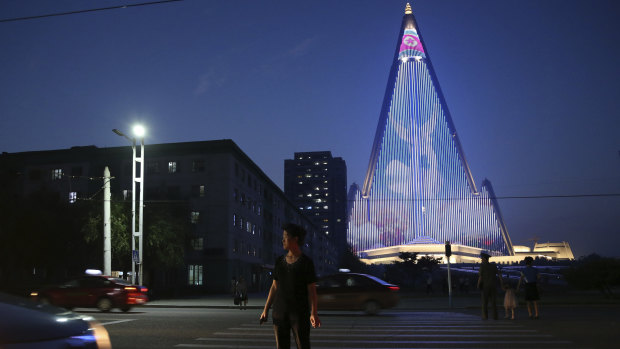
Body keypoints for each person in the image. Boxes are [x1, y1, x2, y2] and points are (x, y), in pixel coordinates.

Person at [260, 223, 320, 349]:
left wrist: (313, 313)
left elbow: (312, 291)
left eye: (286, 236)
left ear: (295, 239)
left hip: (299, 314)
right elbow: (274, 287)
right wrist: (265, 310)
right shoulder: (279, 262)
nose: (283, 240)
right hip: (279, 313)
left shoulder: (306, 263)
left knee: (303, 345)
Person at [477, 251, 503, 320]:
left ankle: (485, 316)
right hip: (493, 286)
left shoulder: (482, 266)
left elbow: (480, 277)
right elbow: (500, 274)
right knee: (493, 302)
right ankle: (495, 316)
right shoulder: (493, 266)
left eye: (482, 258)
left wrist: (478, 285)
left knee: (485, 302)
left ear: (484, 259)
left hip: (485, 287)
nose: (481, 260)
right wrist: (502, 283)